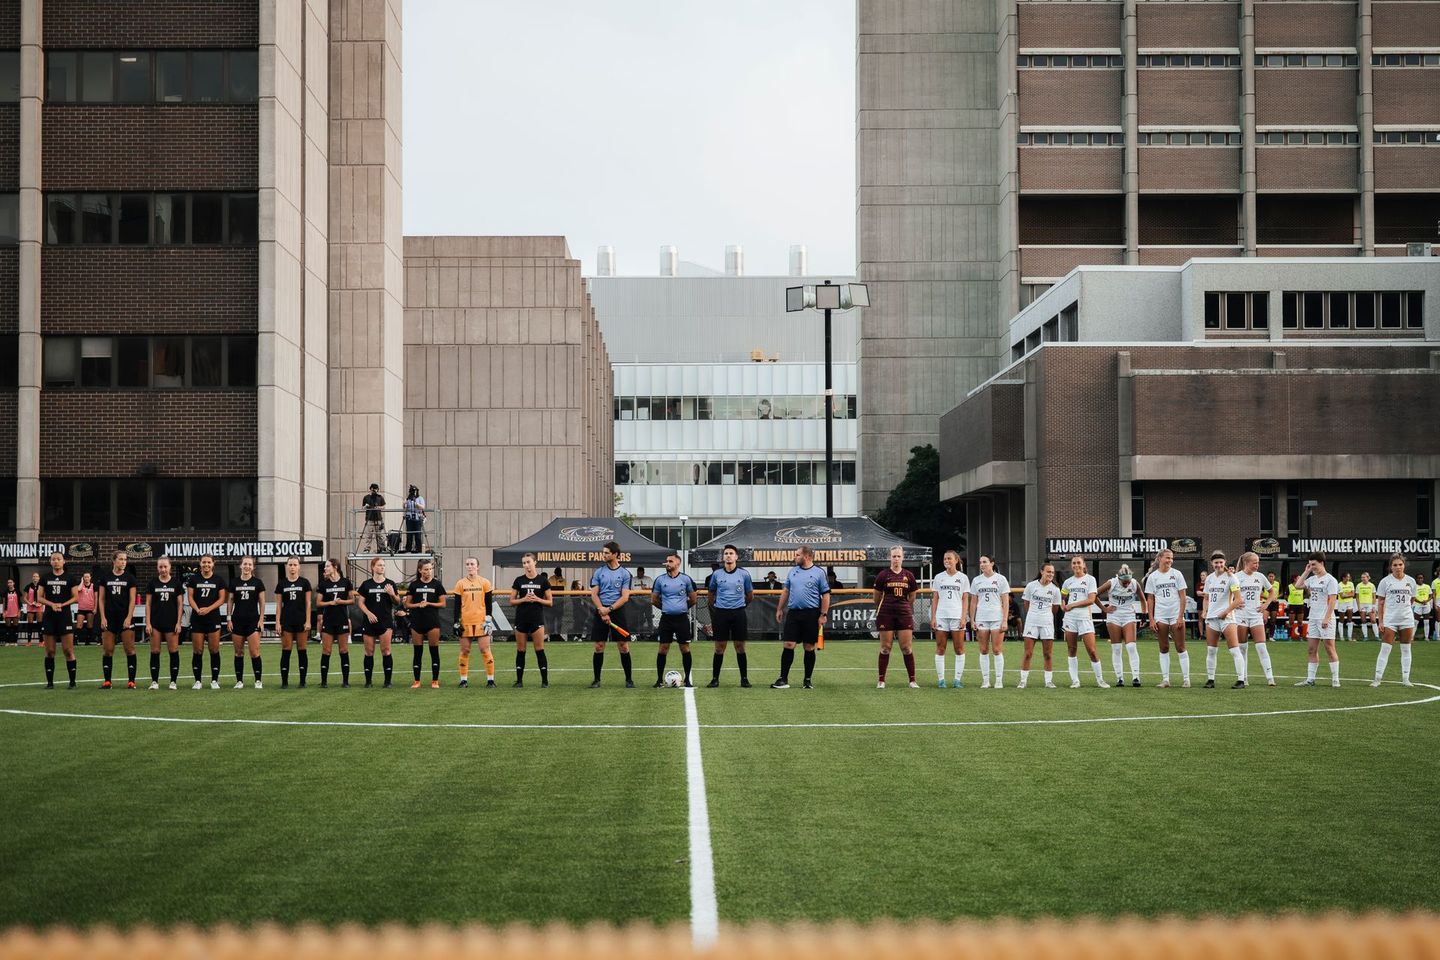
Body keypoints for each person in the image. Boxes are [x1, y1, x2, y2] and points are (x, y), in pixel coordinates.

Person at [770, 545, 830, 689]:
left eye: (797, 555)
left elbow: (826, 595)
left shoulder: (819, 572)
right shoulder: (793, 571)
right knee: (788, 644)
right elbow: (786, 591)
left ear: (807, 556)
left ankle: (807, 680)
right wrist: (779, 609)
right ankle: (783, 679)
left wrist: (823, 614)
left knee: (809, 647)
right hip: (794, 613)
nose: (794, 557)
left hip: (811, 614)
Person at [706, 545, 753, 687]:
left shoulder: (744, 574)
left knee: (740, 646)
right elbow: (711, 592)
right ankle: (715, 679)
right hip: (721, 613)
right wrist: (715, 606)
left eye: (731, 553)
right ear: (723, 557)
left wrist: (741, 605)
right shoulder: (717, 574)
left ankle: (744, 679)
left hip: (738, 613)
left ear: (736, 557)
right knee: (719, 647)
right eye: (726, 553)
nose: (728, 555)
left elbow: (749, 595)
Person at [589, 541, 634, 688]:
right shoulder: (598, 572)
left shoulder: (625, 574)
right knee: (599, 646)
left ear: (615, 554)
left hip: (617, 611)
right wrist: (602, 609)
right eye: (604, 552)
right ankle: (597, 680)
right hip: (601, 610)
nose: (604, 555)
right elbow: (594, 594)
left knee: (623, 645)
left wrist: (609, 610)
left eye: (607, 552)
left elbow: (625, 597)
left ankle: (629, 680)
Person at [873, 545, 919, 689]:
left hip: (904, 613)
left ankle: (912, 680)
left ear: (903, 558)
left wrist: (903, 605)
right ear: (890, 558)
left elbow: (912, 596)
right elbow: (876, 596)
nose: (896, 559)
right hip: (886, 613)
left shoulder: (909, 575)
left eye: (899, 556)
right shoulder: (883, 575)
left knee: (906, 647)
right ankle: (881, 680)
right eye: (894, 556)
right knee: (886, 647)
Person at [1060, 555, 1109, 689]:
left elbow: (1091, 600)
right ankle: (1075, 681)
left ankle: (1100, 680)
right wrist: (1063, 604)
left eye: (1078, 563)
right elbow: (1063, 596)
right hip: (1070, 618)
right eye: (1074, 563)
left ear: (1083, 565)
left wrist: (1072, 605)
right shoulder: (1068, 582)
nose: (1076, 565)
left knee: (1092, 650)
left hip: (1084, 618)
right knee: (1071, 649)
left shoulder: (1090, 579)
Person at [1200, 550, 1246, 689]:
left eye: (1221, 562)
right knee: (1211, 650)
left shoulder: (1231, 578)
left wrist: (1225, 612)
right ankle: (1210, 679)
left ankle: (1241, 680)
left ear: (1224, 563)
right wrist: (1204, 611)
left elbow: (1238, 600)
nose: (1218, 565)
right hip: (1212, 619)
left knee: (1234, 650)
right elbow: (1206, 597)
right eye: (1216, 563)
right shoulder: (1209, 578)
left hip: (1227, 619)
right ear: (1211, 563)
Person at [1144, 548, 1189, 688]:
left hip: (1175, 615)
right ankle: (1165, 680)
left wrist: (1180, 616)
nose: (1170, 560)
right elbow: (1150, 599)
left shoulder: (1177, 574)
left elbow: (1183, 597)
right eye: (1167, 558)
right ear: (1160, 559)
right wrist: (1151, 619)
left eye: (1171, 558)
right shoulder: (1153, 577)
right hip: (1161, 616)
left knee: (1180, 647)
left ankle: (1186, 679)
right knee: (1163, 647)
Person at [651, 552, 698, 687]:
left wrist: (681, 607)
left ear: (678, 563)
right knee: (663, 648)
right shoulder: (660, 580)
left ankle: (687, 679)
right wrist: (667, 607)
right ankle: (659, 680)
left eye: (670, 561)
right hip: (666, 619)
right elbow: (654, 600)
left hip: (682, 618)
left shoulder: (686, 579)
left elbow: (693, 599)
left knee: (685, 648)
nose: (667, 563)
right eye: (666, 561)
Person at [1296, 552, 1340, 688]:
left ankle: (1335, 679)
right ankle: (1310, 679)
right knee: (1311, 649)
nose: (1312, 567)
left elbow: (1332, 600)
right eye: (1310, 564)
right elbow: (1298, 585)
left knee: (1329, 648)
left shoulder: (1330, 580)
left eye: (1314, 564)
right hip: (1313, 618)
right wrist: (1306, 571)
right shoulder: (1312, 579)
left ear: (1322, 563)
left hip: (1326, 618)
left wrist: (1326, 618)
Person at [450, 556, 496, 688]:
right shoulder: (460, 584)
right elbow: (457, 605)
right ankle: (463, 680)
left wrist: (488, 619)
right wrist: (456, 622)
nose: (470, 566)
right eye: (467, 564)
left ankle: (491, 680)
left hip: (481, 621)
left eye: (472, 564)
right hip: (466, 622)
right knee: (464, 650)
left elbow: (488, 604)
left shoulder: (485, 582)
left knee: (485, 649)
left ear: (478, 566)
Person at [1373, 553, 1417, 687]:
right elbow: (1380, 603)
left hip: (1407, 619)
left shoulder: (1411, 581)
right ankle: (1377, 679)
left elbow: (1412, 600)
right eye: (1395, 565)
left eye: (1400, 564)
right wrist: (1380, 621)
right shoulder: (1385, 582)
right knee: (1385, 649)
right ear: (1390, 567)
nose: (1398, 567)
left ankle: (1405, 679)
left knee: (1406, 649)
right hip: (1390, 620)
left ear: (1404, 565)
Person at [355, 556, 400, 687]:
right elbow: (360, 602)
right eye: (379, 565)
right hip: (369, 622)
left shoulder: (390, 583)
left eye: (383, 565)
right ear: (373, 567)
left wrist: (392, 593)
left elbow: (397, 602)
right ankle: (368, 681)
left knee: (386, 650)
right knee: (369, 651)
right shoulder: (366, 584)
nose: (382, 567)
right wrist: (368, 613)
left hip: (385, 622)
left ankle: (387, 681)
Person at [38, 551, 80, 689]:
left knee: (68, 650)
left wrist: (62, 604)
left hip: (65, 617)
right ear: (50, 562)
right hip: (49, 617)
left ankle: (72, 682)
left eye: (59, 559)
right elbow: (39, 598)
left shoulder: (70, 578)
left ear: (64, 561)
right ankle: (50, 683)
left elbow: (75, 597)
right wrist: (52, 604)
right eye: (53, 559)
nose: (56, 561)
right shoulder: (45, 578)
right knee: (50, 651)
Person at [1233, 552, 1276, 686]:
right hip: (1241, 615)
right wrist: (1234, 603)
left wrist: (1266, 605)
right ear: (1246, 563)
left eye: (1258, 562)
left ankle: (1270, 678)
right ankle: (1244, 678)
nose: (1257, 565)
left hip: (1256, 615)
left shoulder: (1260, 577)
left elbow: (1272, 592)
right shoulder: (1236, 577)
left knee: (1261, 646)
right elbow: (1228, 594)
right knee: (1242, 647)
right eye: (1254, 563)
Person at [968, 555, 1011, 689]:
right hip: (982, 618)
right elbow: (973, 601)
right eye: (980, 562)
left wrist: (1005, 620)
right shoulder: (976, 580)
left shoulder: (1001, 579)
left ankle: (999, 680)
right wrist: (972, 619)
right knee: (983, 649)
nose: (982, 564)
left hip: (997, 618)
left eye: (985, 562)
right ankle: (985, 680)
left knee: (997, 650)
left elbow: (1005, 601)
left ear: (992, 563)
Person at [97, 551, 138, 689]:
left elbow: (133, 600)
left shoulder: (130, 578)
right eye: (121, 559)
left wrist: (129, 617)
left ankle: (131, 681)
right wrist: (102, 617)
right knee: (108, 650)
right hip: (109, 618)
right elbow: (101, 599)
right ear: (113, 561)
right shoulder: (105, 577)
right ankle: (107, 681)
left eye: (125, 559)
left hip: (125, 618)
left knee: (130, 649)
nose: (123, 562)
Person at [511, 552, 553, 687]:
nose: (526, 565)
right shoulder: (519, 580)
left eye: (528, 562)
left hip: (536, 619)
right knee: (521, 650)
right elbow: (512, 601)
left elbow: (550, 602)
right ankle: (519, 681)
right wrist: (523, 599)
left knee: (539, 650)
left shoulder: (543, 581)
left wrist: (537, 599)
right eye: (524, 563)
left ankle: (545, 681)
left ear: (535, 563)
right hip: (521, 619)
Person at [186, 555, 227, 690]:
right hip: (198, 618)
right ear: (200, 564)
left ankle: (214, 680)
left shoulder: (219, 580)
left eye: (209, 562)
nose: (206, 564)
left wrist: (208, 609)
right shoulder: (193, 579)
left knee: (214, 649)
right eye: (204, 562)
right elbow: (190, 597)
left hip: (213, 618)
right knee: (198, 650)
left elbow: (222, 599)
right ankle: (197, 681)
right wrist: (197, 609)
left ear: (213, 564)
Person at [1097, 564, 1142, 687]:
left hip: (1128, 616)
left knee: (1131, 647)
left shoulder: (1134, 583)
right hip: (1114, 616)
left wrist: (1144, 616)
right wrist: (1104, 609)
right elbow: (1094, 594)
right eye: (1124, 582)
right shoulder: (1111, 583)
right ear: (1119, 578)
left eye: (1128, 582)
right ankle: (1119, 678)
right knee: (1116, 648)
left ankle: (1136, 677)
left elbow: (1143, 599)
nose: (1127, 584)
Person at [931, 550, 970, 688]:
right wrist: (933, 617)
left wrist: (963, 617)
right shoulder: (938, 577)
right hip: (942, 616)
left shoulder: (963, 578)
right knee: (940, 648)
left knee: (959, 649)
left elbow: (965, 599)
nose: (946, 561)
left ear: (956, 560)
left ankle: (957, 680)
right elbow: (935, 598)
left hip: (957, 616)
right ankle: (941, 680)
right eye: (944, 558)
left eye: (949, 558)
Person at [1018, 562, 1060, 689]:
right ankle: (1023, 680)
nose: (1050, 574)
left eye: (1052, 572)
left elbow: (1055, 609)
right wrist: (1034, 614)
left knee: (1047, 654)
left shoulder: (1055, 589)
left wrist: (1044, 616)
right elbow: (1026, 604)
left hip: (1047, 623)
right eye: (1048, 572)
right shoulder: (1031, 586)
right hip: (1032, 622)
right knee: (1028, 653)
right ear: (1042, 571)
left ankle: (1048, 681)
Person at [405, 558, 445, 689]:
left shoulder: (437, 585)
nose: (429, 571)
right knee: (418, 651)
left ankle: (435, 680)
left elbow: (443, 604)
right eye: (426, 569)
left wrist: (429, 604)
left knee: (434, 650)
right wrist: (418, 605)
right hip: (417, 621)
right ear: (420, 570)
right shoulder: (414, 585)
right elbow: (407, 604)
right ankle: (417, 680)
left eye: (430, 569)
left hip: (432, 621)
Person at [145, 557, 184, 690]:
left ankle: (173, 681)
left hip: (171, 623)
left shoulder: (176, 583)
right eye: (160, 567)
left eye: (165, 567)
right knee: (155, 651)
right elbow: (148, 604)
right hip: (155, 623)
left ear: (170, 567)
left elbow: (180, 605)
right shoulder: (152, 583)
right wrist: (148, 623)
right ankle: (154, 681)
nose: (163, 569)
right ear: (157, 568)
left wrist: (179, 623)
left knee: (173, 651)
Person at [274, 556, 313, 688]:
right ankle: (284, 682)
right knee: (286, 649)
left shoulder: (304, 583)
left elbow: (308, 603)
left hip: (301, 621)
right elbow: (279, 605)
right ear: (286, 566)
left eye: (295, 565)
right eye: (290, 565)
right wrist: (277, 622)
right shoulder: (281, 584)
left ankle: (303, 681)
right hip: (287, 621)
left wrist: (308, 621)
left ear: (299, 567)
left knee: (302, 649)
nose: (292, 567)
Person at [227, 556, 265, 689]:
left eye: (250, 564)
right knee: (238, 652)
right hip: (237, 621)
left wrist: (261, 619)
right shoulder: (234, 582)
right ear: (241, 566)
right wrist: (229, 618)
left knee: (254, 652)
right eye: (245, 564)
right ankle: (239, 681)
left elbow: (262, 602)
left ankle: (258, 680)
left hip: (253, 621)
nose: (247, 566)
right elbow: (230, 600)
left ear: (253, 567)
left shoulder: (257, 582)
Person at [316, 559, 355, 687]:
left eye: (327, 566)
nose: (325, 569)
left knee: (343, 650)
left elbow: (352, 600)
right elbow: (318, 603)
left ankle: (345, 682)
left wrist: (341, 602)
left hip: (342, 620)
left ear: (335, 567)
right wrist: (330, 603)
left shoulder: (346, 582)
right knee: (326, 651)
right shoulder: (323, 584)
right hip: (328, 621)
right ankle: (323, 682)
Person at [358, 482, 386, 553]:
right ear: (371, 489)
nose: (375, 491)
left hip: (378, 518)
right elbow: (363, 508)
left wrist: (378, 507)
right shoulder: (366, 497)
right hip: (369, 519)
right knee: (369, 535)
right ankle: (367, 548)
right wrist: (366, 506)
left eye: (377, 490)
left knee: (379, 535)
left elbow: (384, 506)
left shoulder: (380, 497)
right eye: (374, 490)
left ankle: (382, 548)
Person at [403, 484, 426, 553]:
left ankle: (418, 549)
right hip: (409, 519)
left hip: (417, 519)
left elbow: (422, 507)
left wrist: (416, 504)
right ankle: (408, 549)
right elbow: (405, 507)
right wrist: (404, 503)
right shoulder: (408, 499)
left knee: (418, 535)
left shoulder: (420, 498)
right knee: (409, 535)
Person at [74, 572, 96, 646]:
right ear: (83, 578)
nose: (86, 578)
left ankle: (88, 641)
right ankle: (76, 640)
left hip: (90, 608)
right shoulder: (81, 585)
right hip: (82, 608)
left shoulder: (93, 586)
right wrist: (81, 582)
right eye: (85, 577)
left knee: (89, 625)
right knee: (79, 625)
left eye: (88, 577)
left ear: (90, 577)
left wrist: (95, 608)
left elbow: (96, 598)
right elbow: (78, 589)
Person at [1335, 572, 1356, 641]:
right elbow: (1342, 596)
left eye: (1349, 577)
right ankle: (1341, 637)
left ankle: (1349, 637)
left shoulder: (1351, 584)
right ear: (1344, 578)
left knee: (1350, 619)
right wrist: (1348, 594)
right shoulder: (1339, 585)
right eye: (1347, 577)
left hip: (1350, 603)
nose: (1349, 578)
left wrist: (1346, 594)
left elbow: (1353, 594)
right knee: (1341, 620)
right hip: (1342, 603)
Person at [1356, 571, 1377, 641]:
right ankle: (1365, 637)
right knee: (1363, 621)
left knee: (1373, 620)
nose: (1363, 578)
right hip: (1362, 604)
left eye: (1364, 577)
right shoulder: (1358, 586)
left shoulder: (1372, 585)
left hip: (1370, 605)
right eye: (1362, 577)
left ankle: (1376, 636)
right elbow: (1357, 597)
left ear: (1368, 578)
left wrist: (1374, 606)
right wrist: (1358, 606)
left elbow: (1374, 597)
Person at [23, 571, 42, 646]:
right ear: (32, 578)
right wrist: (30, 603)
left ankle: (41, 641)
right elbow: (24, 598)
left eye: (36, 576)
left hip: (39, 607)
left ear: (39, 578)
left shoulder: (41, 586)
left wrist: (40, 603)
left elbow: (45, 597)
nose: (35, 578)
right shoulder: (28, 586)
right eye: (34, 576)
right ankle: (29, 642)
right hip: (30, 607)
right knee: (30, 624)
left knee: (39, 624)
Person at [1286, 574, 1306, 640]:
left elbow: (1306, 594)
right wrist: (1289, 601)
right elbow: (1286, 596)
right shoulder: (1289, 586)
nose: (1300, 579)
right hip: (1292, 605)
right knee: (1291, 622)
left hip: (1300, 605)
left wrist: (1302, 598)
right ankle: (1289, 636)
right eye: (1298, 578)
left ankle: (1300, 636)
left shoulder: (1302, 586)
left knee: (1300, 622)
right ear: (1294, 579)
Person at [1413, 575, 1434, 641]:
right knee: (1415, 622)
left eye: (1421, 578)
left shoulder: (1427, 586)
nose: (1420, 579)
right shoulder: (1414, 587)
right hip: (1418, 605)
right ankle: (1411, 637)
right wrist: (1420, 601)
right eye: (1418, 578)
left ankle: (1426, 637)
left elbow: (1431, 595)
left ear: (1423, 579)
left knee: (1426, 622)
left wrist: (1426, 601)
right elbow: (1413, 597)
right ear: (1416, 579)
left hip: (1426, 605)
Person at [1265, 571, 1282, 639]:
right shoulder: (1264, 584)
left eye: (1272, 576)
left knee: (1273, 620)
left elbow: (1281, 593)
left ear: (1274, 577)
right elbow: (1260, 593)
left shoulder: (1278, 584)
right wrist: (1270, 598)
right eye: (1270, 576)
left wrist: (1276, 597)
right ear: (1267, 577)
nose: (1271, 578)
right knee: (1264, 620)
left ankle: (1271, 636)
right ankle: (1264, 636)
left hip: (1275, 603)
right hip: (1266, 603)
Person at [3, 578, 20, 646]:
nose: (10, 584)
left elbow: (19, 603)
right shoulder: (5, 592)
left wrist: (19, 611)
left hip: (15, 611)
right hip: (8, 612)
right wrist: (3, 612)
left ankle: (15, 642)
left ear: (13, 583)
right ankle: (7, 642)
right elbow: (4, 603)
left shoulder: (17, 591)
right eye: (8, 583)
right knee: (8, 627)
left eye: (11, 582)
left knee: (15, 627)